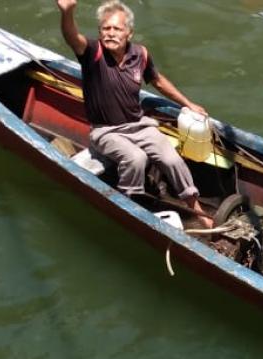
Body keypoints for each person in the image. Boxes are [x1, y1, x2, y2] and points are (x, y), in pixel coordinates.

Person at [56, 0, 213, 227]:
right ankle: (128, 205)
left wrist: (187, 103)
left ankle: (195, 207)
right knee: (135, 158)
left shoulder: (141, 55)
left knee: (172, 159)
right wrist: (68, 12)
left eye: (117, 29)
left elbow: (158, 81)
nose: (110, 33)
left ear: (129, 32)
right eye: (105, 28)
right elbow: (72, 37)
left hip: (139, 125)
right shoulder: (93, 52)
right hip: (106, 131)